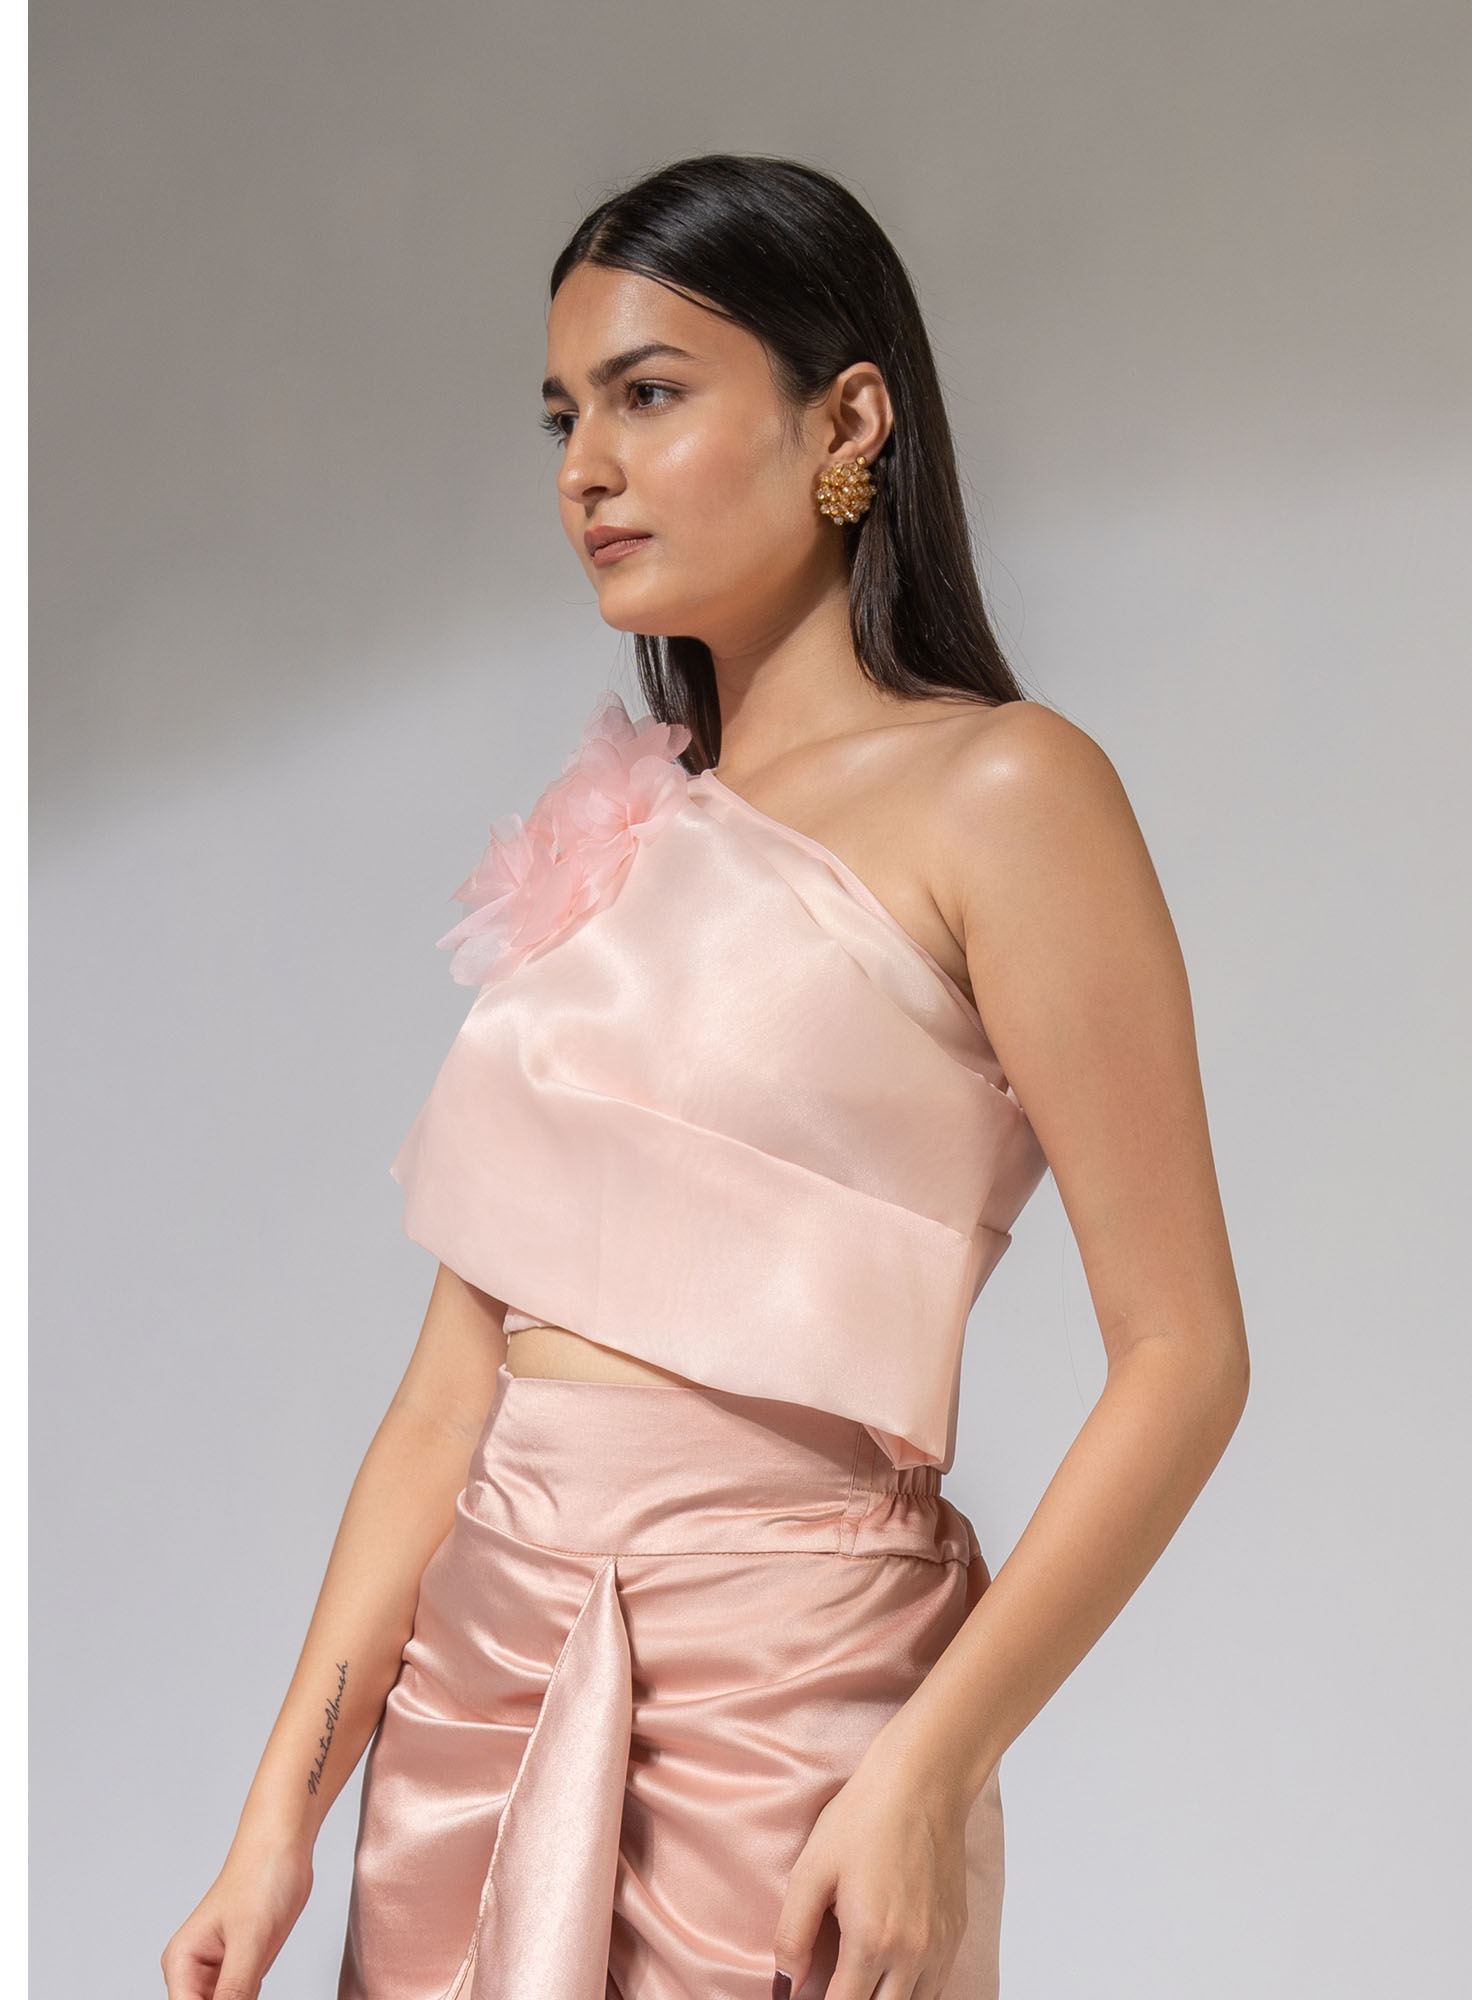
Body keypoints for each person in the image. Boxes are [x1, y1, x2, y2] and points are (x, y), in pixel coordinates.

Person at [161, 152, 1250, 2000]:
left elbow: (1184, 1355)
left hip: (786, 1702)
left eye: (649, 395)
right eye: (562, 415)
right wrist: (277, 1823)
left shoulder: (1008, 792)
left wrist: (933, 1765)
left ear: (849, 421)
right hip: (476, 1695)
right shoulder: (627, 826)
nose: (585, 468)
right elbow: (446, 1405)